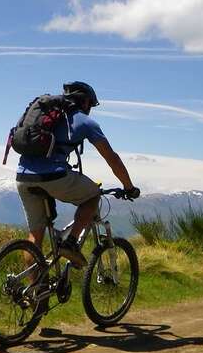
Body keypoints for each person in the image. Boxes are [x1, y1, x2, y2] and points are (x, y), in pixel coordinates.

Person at [16, 81, 140, 269]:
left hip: (23, 177)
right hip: (53, 176)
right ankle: (71, 243)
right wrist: (128, 187)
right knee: (93, 195)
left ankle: (35, 292)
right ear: (86, 103)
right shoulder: (84, 121)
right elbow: (111, 158)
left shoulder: (50, 115)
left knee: (35, 237)